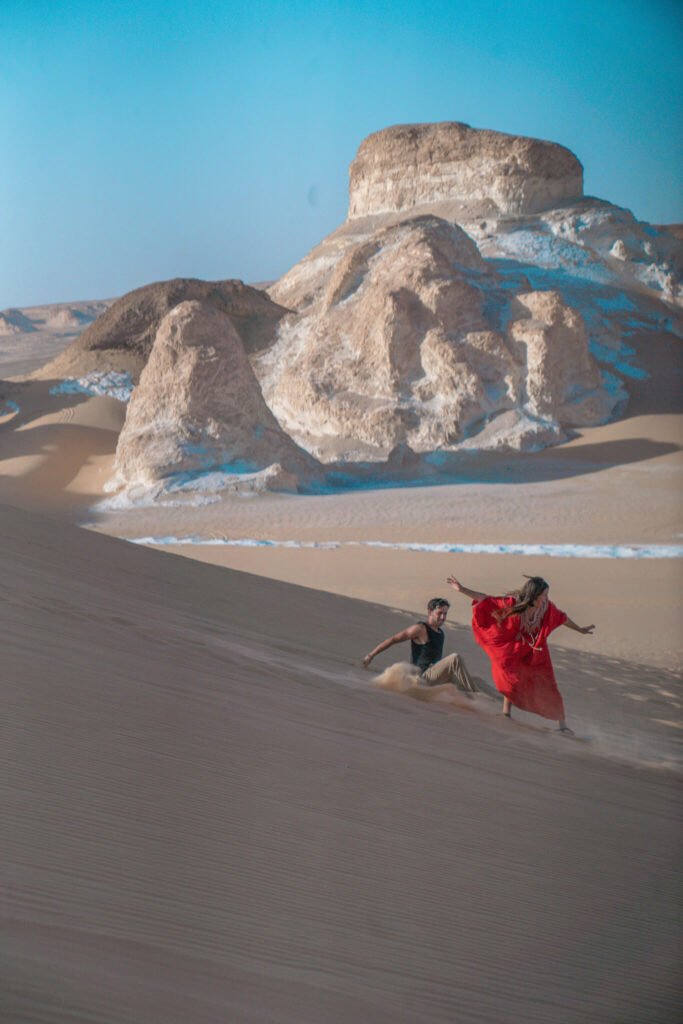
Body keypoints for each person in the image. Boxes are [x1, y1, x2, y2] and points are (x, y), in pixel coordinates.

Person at [446, 574, 594, 733]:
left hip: (535, 650)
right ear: (534, 595)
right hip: (514, 646)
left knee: (548, 681)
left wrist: (579, 629)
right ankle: (506, 713)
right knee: (511, 675)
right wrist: (462, 589)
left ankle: (562, 726)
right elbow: (486, 599)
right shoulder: (513, 603)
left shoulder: (546, 608)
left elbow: (562, 618)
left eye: (547, 595)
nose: (546, 598)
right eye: (544, 595)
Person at [362, 597, 478, 692]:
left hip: (435, 676)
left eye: (445, 614)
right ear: (430, 612)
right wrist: (370, 655)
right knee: (455, 658)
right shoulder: (420, 629)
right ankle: (476, 696)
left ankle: (490, 702)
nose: (443, 617)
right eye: (439, 613)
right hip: (423, 677)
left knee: (477, 681)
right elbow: (393, 639)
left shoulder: (440, 632)